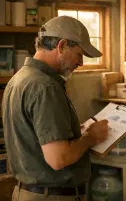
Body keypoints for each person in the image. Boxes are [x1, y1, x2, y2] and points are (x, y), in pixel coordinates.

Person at [2, 16, 109, 201]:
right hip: (51, 196)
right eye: (79, 53)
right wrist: (90, 137)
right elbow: (59, 158)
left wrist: (75, 133)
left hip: (27, 192)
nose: (81, 62)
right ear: (61, 46)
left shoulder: (19, 79)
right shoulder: (45, 87)